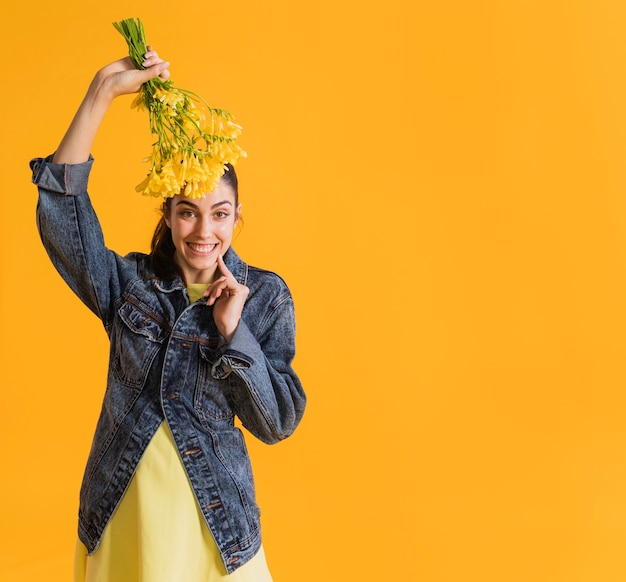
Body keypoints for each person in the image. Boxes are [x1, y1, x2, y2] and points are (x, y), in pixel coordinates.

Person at [30, 49, 306, 581]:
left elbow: (276, 423)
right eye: (188, 212)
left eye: (219, 214)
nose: (204, 232)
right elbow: (61, 215)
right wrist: (100, 95)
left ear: (237, 215)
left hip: (214, 523)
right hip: (123, 507)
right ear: (168, 214)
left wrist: (233, 332)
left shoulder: (265, 297)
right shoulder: (130, 285)